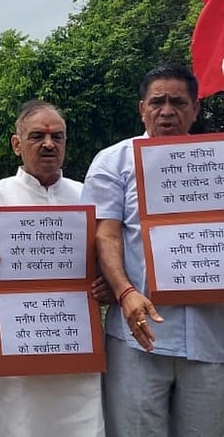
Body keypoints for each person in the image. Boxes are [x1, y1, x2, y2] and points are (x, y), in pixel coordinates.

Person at [82, 64, 224, 436]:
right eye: (157, 102)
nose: (167, 111)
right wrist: (125, 291)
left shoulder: (218, 160)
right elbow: (105, 236)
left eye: (178, 102)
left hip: (213, 335)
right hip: (138, 336)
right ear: (141, 108)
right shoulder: (114, 161)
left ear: (195, 109)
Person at [0, 100, 108, 436]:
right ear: (16, 144)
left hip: (76, 351)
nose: (48, 144)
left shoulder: (87, 198)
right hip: (17, 354)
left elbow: (106, 262)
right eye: (37, 136)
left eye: (57, 137)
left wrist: (106, 285)